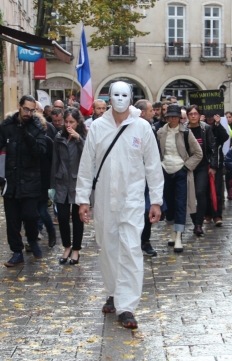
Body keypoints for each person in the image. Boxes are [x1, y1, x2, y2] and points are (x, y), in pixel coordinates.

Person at [76, 81, 163, 330]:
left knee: (131, 249)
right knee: (108, 247)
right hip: (104, 198)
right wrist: (83, 198)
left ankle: (127, 306)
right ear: (109, 98)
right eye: (116, 95)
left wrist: (156, 200)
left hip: (132, 199)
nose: (120, 99)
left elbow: (153, 166)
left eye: (125, 95)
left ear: (131, 97)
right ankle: (114, 291)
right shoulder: (98, 127)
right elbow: (86, 165)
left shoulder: (142, 127)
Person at [0, 95, 47, 267]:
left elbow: (40, 151)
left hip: (30, 180)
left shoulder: (37, 127)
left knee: (30, 215)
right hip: (11, 181)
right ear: (19, 107)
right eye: (26, 109)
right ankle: (16, 252)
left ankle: (32, 239)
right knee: (12, 220)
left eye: (32, 110)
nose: (28, 113)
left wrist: (27, 136)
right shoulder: (6, 127)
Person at [157, 104, 203, 252]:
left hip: (181, 171)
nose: (173, 118)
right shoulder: (160, 132)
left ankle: (179, 236)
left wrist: (186, 167)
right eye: (170, 116)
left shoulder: (186, 132)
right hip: (165, 171)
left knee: (181, 204)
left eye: (175, 116)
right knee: (169, 204)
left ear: (179, 118)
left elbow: (198, 153)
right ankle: (172, 231)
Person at [52, 108, 87, 265]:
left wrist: (78, 139)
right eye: (66, 122)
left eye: (71, 122)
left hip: (77, 182)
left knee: (78, 219)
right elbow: (55, 160)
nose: (68, 125)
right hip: (62, 182)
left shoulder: (83, 137)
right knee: (63, 217)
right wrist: (52, 182)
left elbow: (88, 156)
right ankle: (67, 246)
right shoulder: (58, 137)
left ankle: (76, 250)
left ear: (77, 122)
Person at [185, 105, 218, 236]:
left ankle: (199, 223)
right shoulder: (184, 129)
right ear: (187, 115)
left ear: (199, 115)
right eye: (191, 114)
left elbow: (213, 148)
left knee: (200, 192)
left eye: (195, 113)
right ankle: (195, 222)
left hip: (203, 165)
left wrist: (214, 166)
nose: (193, 116)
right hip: (188, 165)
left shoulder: (206, 128)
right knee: (190, 195)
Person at [134, 99, 160, 256]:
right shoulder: (130, 128)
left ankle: (145, 241)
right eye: (151, 110)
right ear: (142, 112)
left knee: (147, 208)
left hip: (147, 175)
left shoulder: (151, 127)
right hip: (133, 177)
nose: (154, 112)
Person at [204, 113, 229, 227]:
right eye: (208, 116)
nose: (210, 118)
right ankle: (207, 213)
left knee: (217, 189)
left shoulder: (217, 128)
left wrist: (218, 124)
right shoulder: (202, 127)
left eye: (212, 116)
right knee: (204, 191)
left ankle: (217, 214)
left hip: (217, 163)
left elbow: (225, 137)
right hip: (204, 162)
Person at [36, 112, 57, 248]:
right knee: (31, 212)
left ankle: (51, 231)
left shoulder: (48, 141)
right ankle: (33, 236)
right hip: (30, 181)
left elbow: (53, 162)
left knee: (42, 211)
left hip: (43, 181)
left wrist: (52, 183)